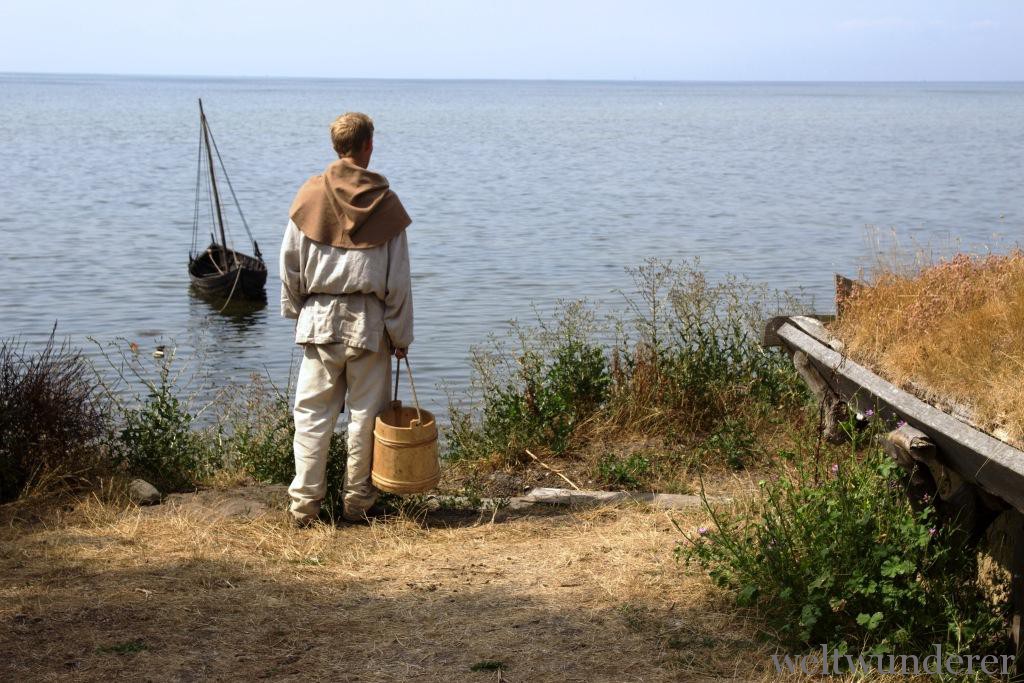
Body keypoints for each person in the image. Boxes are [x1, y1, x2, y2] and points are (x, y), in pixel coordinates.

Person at [279, 112, 413, 526]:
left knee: (312, 416)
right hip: (368, 323)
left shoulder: (310, 195)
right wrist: (400, 334)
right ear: (368, 146)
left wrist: (297, 311)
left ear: (336, 146)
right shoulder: (386, 205)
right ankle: (358, 504)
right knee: (363, 418)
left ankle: (304, 506)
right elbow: (398, 281)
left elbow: (289, 265)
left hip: (318, 317)